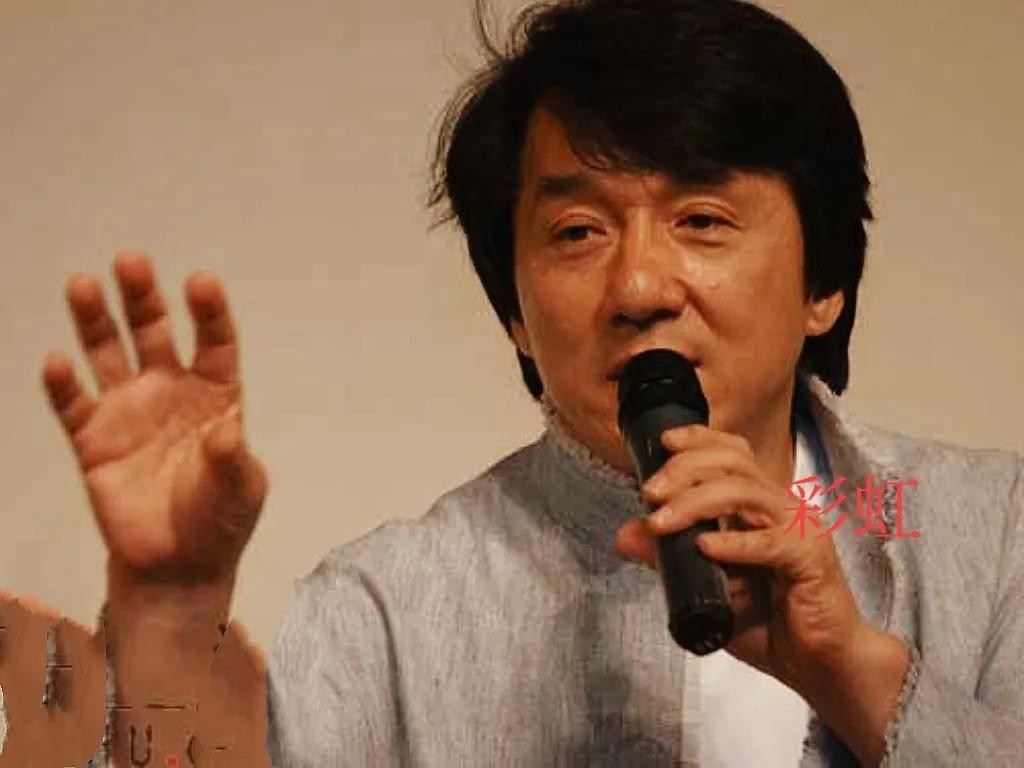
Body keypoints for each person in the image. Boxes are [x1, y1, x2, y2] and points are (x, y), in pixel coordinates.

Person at [36, 0, 1023, 765]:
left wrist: (858, 676)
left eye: (702, 221)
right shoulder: (388, 608)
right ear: (514, 308)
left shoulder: (993, 534)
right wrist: (166, 609)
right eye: (577, 232)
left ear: (823, 284)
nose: (639, 287)